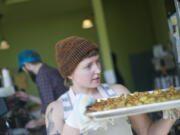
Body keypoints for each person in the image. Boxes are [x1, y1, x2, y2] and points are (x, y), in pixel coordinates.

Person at [45, 36, 180, 135]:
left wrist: (171, 115)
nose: (98, 70)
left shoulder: (118, 93)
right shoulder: (57, 110)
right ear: (69, 73)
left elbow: (148, 133)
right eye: (88, 66)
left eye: (97, 62)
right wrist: (74, 119)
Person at [15, 49, 67, 135]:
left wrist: (36, 123)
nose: (26, 72)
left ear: (26, 65)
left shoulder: (42, 76)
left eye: (24, 69)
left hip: (61, 123)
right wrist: (28, 97)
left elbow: (50, 107)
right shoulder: (50, 70)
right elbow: (50, 100)